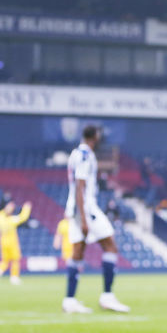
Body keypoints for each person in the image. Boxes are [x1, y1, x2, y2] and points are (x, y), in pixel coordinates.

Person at [63, 125, 129, 314]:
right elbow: (79, 186)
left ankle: (69, 300)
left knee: (78, 252)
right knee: (110, 245)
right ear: (94, 136)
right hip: (85, 209)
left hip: (78, 208)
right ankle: (107, 296)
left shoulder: (76, 153)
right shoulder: (85, 156)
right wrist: (84, 218)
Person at [0, 201, 31, 284]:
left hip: (5, 242)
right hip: (10, 243)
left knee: (8, 260)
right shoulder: (9, 219)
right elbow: (22, 218)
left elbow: (22, 218)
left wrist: (26, 209)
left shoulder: (1, 216)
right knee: (13, 260)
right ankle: (13, 277)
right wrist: (26, 208)